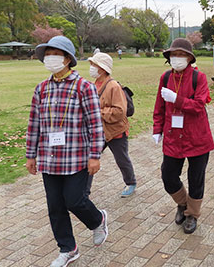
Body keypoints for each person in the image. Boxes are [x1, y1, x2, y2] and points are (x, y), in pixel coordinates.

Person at [25, 36, 108, 267]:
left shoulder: (84, 87)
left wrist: (95, 155)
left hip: (76, 157)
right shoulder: (41, 88)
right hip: (49, 160)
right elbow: (34, 124)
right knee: (55, 206)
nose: (50, 57)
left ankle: (98, 219)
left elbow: (95, 124)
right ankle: (68, 248)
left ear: (68, 59)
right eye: (47, 53)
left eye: (56, 53)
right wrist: (30, 155)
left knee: (74, 200)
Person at [152, 38, 214, 234]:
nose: (176, 58)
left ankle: (192, 214)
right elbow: (159, 106)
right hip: (173, 136)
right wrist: (157, 128)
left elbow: (198, 106)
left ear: (189, 57)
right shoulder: (165, 78)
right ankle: (181, 203)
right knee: (168, 176)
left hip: (197, 137)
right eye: (173, 54)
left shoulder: (199, 78)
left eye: (181, 54)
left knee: (196, 179)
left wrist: (177, 100)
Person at [85, 52, 137, 198]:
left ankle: (131, 182)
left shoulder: (113, 86)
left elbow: (120, 111)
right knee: (90, 158)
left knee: (121, 159)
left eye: (93, 65)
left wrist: (98, 112)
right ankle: (84, 191)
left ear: (101, 68)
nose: (91, 68)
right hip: (98, 132)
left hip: (116, 131)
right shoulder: (92, 85)